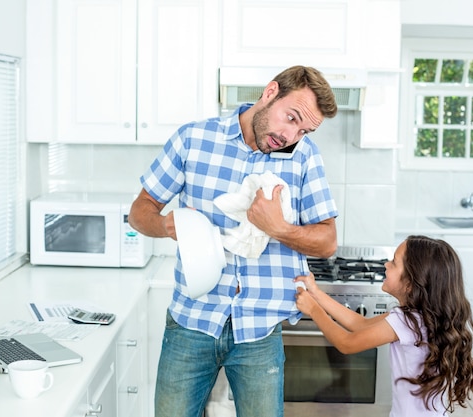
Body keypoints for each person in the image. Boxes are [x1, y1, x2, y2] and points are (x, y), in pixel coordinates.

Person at [129, 65, 339, 417]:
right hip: (191, 322)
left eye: (303, 129)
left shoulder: (305, 156)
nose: (290, 135)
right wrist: (168, 225)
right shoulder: (193, 140)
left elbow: (328, 241)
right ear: (270, 92)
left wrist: (279, 228)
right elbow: (139, 211)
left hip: (260, 330)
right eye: (290, 118)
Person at [295, 235, 473, 417]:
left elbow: (347, 343)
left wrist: (314, 310)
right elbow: (360, 324)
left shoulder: (406, 321)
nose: (386, 265)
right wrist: (317, 293)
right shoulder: (421, 317)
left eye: (394, 262)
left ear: (410, 284)